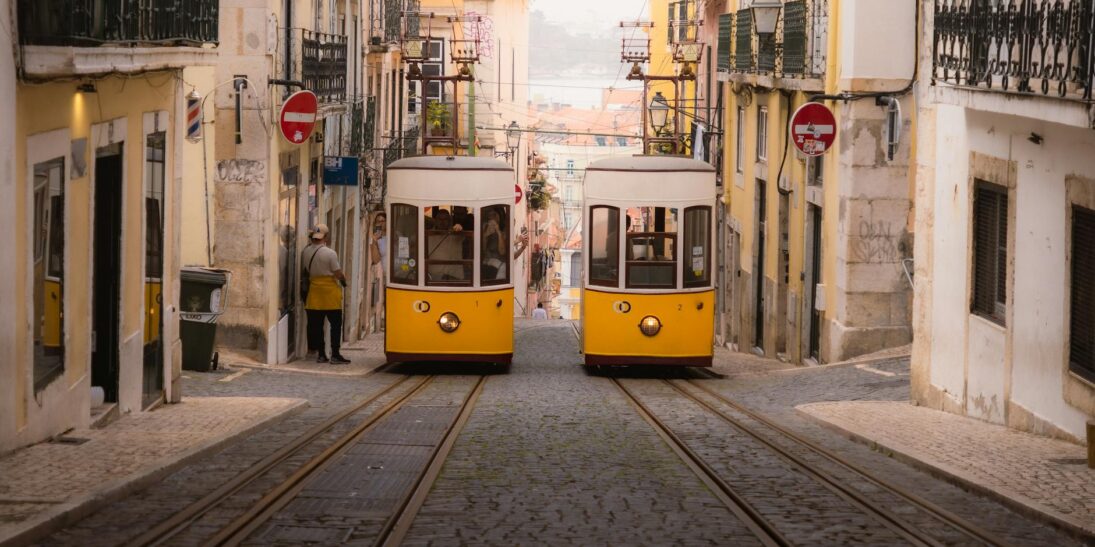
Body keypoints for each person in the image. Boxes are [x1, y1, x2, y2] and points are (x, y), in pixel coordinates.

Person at [302, 224, 350, 364]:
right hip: (330, 292)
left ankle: (321, 354)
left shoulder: (305, 252)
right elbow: (337, 272)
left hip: (315, 292)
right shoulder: (330, 253)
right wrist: (343, 279)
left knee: (317, 326)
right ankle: (335, 354)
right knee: (336, 324)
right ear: (326, 237)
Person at [427, 209, 468, 281]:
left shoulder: (455, 234)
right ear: (435, 221)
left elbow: (461, 235)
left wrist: (459, 228)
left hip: (453, 277)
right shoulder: (427, 235)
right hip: (433, 278)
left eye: (445, 219)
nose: (442, 222)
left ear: (449, 221)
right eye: (440, 219)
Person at [369, 213, 387, 333]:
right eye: (378, 221)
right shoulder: (375, 240)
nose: (380, 223)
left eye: (383, 221)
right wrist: (374, 242)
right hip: (383, 275)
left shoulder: (395, 235)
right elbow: (376, 260)